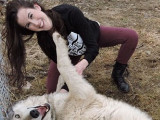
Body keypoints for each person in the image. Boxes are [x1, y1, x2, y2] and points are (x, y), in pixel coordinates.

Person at [3, 0, 138, 93]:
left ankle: (117, 74)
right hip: (70, 55)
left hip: (92, 38)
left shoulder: (69, 12)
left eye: (31, 15)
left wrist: (82, 65)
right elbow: (64, 66)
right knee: (52, 91)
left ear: (36, 6)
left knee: (131, 36)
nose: (35, 23)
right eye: (28, 24)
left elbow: (92, 47)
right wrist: (66, 87)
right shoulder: (44, 41)